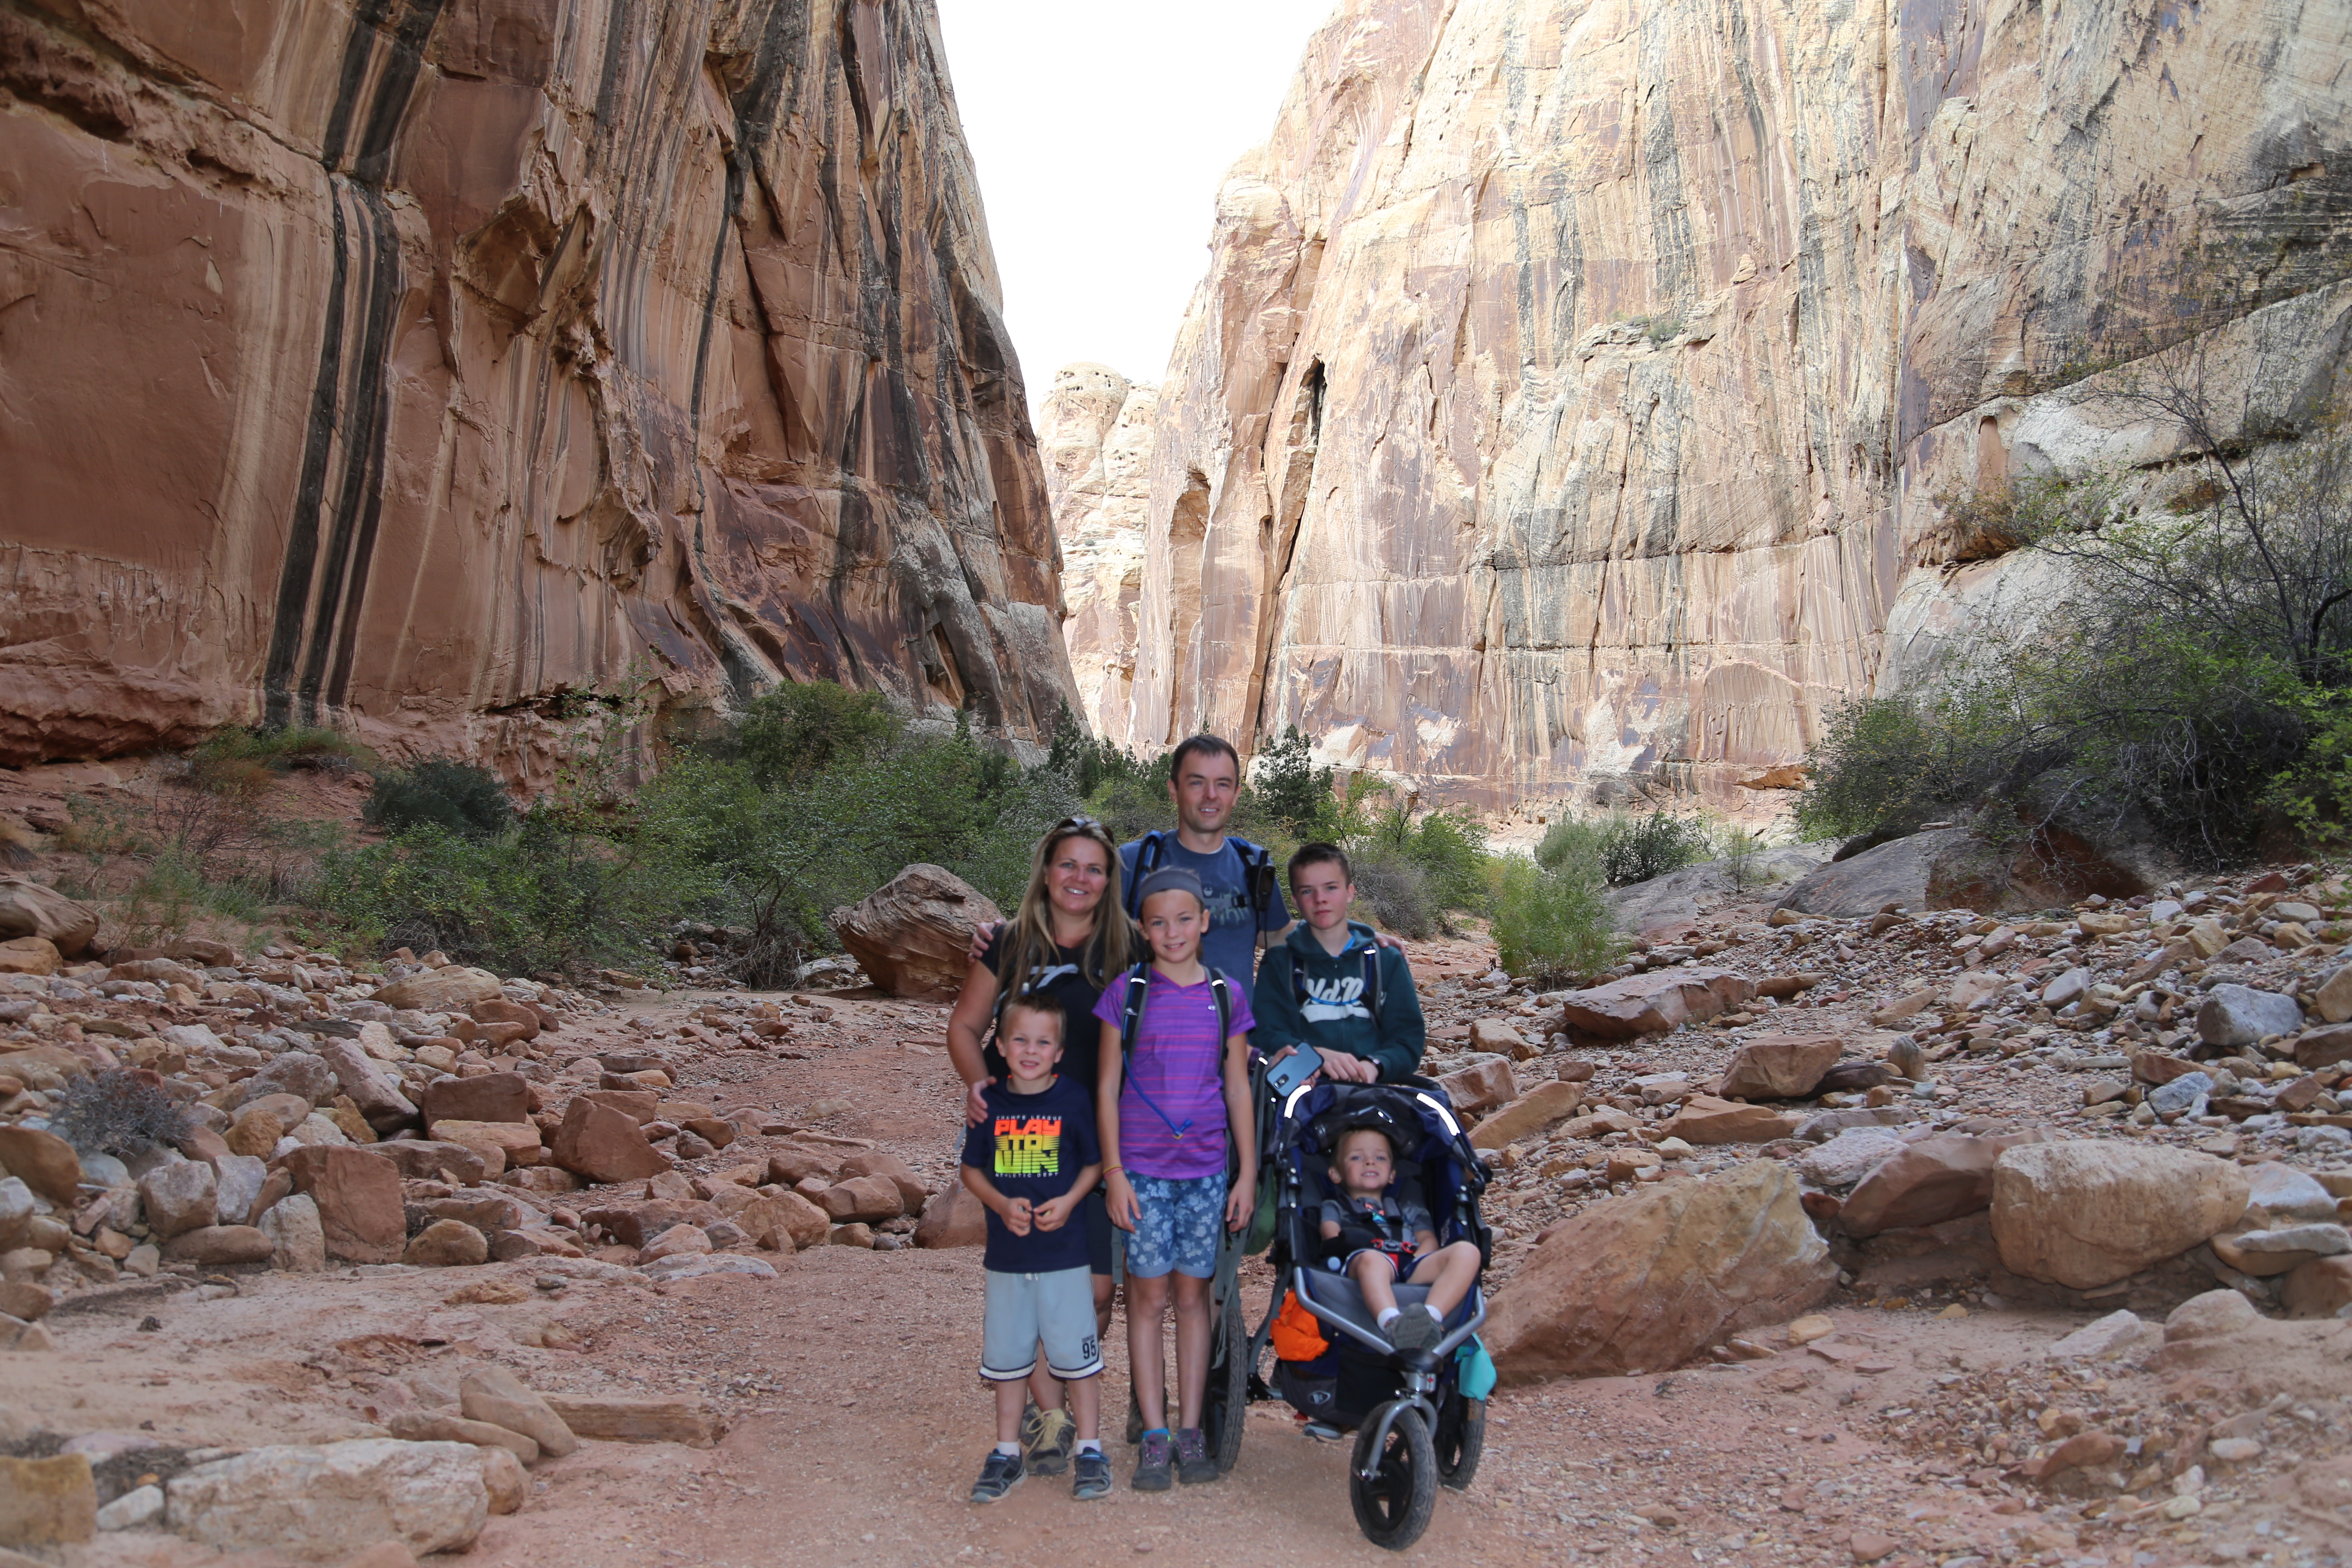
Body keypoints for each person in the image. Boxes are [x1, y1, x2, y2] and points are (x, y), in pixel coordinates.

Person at [945, 816, 1131, 1476]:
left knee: (1100, 1288)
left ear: (1109, 880)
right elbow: (967, 1028)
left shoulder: (1124, 948)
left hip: (1098, 1135)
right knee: (1027, 1271)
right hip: (1027, 1139)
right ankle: (1049, 1411)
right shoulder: (1009, 943)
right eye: (1068, 865)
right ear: (1046, 872)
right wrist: (979, 1087)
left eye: (1094, 868)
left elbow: (1200, 959)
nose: (1079, 879)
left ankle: (1059, 1378)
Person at [1092, 867, 1257, 1491]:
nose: (1173, 932)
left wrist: (1243, 1176)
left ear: (1205, 922)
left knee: (1194, 1300)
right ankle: (1155, 1434)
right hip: (1142, 1173)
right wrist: (1113, 1173)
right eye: (1158, 922)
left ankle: (1191, 1430)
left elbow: (1237, 1086)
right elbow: (1107, 1087)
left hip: (1208, 1173)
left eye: (1184, 919)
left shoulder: (1226, 995)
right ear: (1143, 928)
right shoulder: (1126, 994)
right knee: (1147, 1299)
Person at [961, 996, 1110, 1502]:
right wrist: (1001, 1204)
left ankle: (1091, 1449)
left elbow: (1094, 1163)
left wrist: (1070, 1201)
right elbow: (971, 1169)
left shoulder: (1071, 1100)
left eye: (1043, 1042)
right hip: (1008, 1257)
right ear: (1000, 1046)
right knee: (1009, 1360)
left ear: (1060, 1051)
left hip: (1066, 1255)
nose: (1031, 1050)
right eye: (1020, 1040)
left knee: (1077, 1358)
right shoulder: (990, 1104)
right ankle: (1006, 1453)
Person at [1116, 735, 1294, 985]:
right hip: (1154, 1022)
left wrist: (1353, 933)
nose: (1211, 795)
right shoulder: (1133, 862)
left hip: (1236, 1025)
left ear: (1235, 795)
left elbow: (1274, 933)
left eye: (1223, 784)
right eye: (1197, 783)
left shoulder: (1253, 864)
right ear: (1174, 790)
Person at [1250, 842, 1425, 1084]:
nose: (1320, 899)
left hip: (1375, 1090)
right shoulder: (1279, 963)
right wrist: (1313, 1056)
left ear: (1350, 892)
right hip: (1305, 1091)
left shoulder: (1387, 960)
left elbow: (1408, 1040)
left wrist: (1375, 1066)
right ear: (1295, 901)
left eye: (1331, 888)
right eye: (1307, 891)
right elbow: (1267, 1034)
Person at [1320, 1124, 1482, 1351]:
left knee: (1468, 1251)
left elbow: (1428, 1240)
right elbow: (1331, 1235)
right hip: (1363, 1261)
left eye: (1381, 1158)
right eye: (1357, 1158)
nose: (1370, 1162)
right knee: (1372, 1261)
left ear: (1393, 1174)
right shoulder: (1335, 1207)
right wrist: (1346, 1243)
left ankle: (1430, 1320)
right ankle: (1392, 1323)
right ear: (1335, 1174)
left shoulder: (1408, 1208)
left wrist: (1419, 1258)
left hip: (1410, 1262)